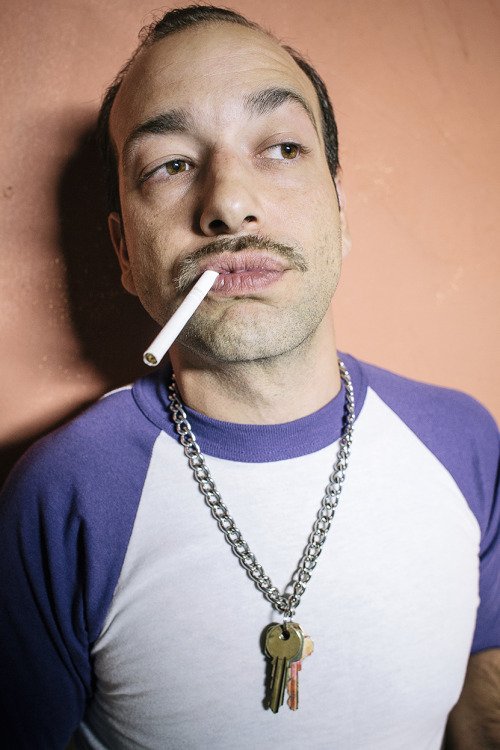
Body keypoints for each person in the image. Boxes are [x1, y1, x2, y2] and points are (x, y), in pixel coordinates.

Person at [0, 5, 498, 749]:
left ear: (339, 210)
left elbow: (484, 708)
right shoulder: (61, 495)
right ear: (125, 251)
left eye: (283, 147)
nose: (230, 205)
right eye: (171, 165)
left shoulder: (465, 441)